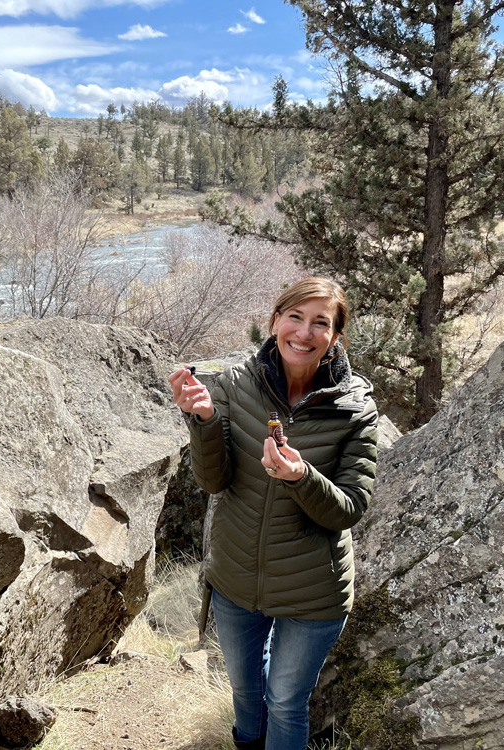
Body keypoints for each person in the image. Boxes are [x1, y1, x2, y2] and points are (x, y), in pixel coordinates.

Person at [168, 277, 378, 750]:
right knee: (246, 691)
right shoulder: (234, 382)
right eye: (295, 317)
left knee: (285, 701)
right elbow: (213, 481)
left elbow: (350, 508)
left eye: (320, 323)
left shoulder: (355, 408)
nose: (304, 333)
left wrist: (301, 477)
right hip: (236, 576)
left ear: (336, 336)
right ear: (275, 321)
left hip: (313, 589)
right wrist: (202, 421)